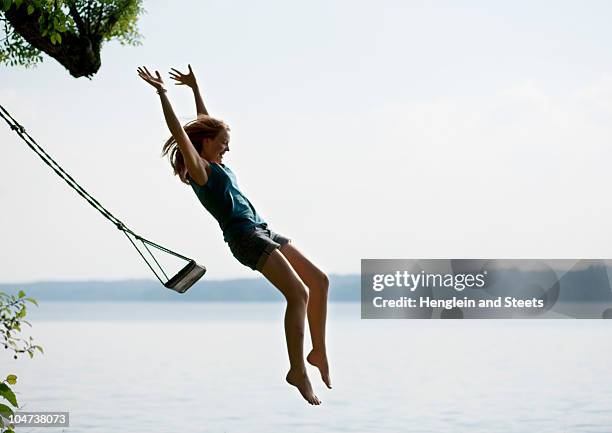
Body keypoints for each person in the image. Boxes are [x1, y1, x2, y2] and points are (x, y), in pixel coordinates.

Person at [137, 65, 331, 405]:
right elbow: (183, 133)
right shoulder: (201, 170)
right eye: (224, 144)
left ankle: (319, 352)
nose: (227, 149)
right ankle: (297, 370)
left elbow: (204, 124)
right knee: (298, 293)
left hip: (262, 229)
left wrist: (195, 89)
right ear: (207, 145)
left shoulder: (216, 159)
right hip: (244, 237)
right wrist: (163, 94)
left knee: (319, 280)